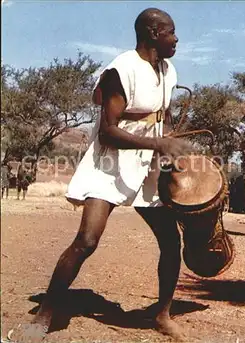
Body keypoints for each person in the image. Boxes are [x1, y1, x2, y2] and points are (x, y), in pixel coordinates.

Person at [14, 8, 194, 343]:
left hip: (148, 165)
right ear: (153, 32)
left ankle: (163, 314)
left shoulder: (168, 70)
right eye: (171, 31)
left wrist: (169, 149)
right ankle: (45, 315)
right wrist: (159, 142)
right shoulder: (121, 70)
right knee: (87, 241)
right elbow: (108, 132)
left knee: (172, 243)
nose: (176, 38)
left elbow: (162, 117)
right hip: (110, 164)